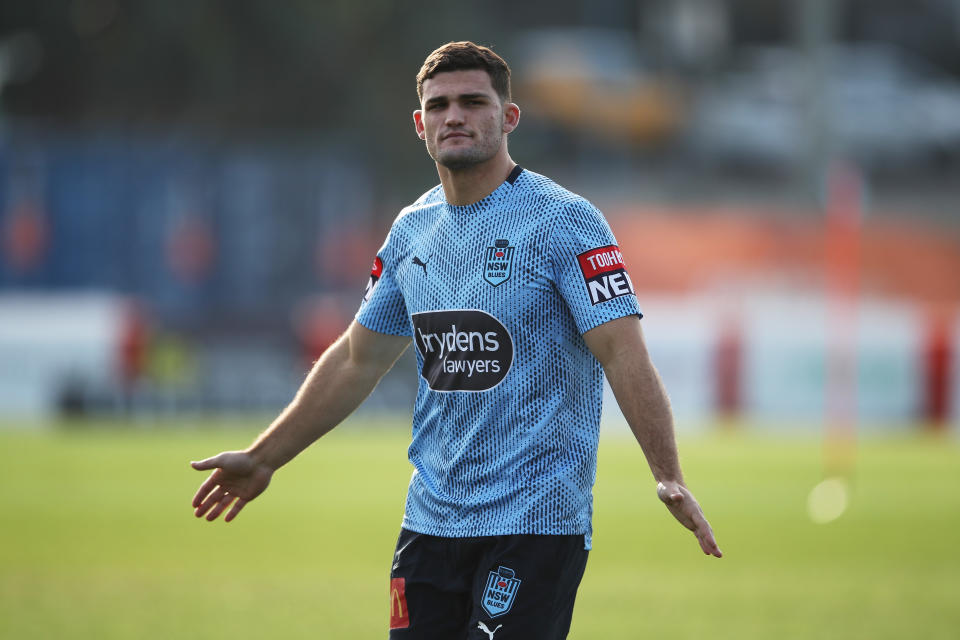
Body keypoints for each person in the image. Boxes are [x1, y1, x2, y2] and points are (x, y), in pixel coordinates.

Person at [190, 41, 722, 639]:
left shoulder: (565, 222)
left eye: (473, 101)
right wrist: (264, 459)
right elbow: (355, 360)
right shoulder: (412, 230)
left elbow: (622, 351)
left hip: (536, 523)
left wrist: (667, 473)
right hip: (430, 524)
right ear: (420, 125)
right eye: (439, 105)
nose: (455, 116)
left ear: (509, 117)